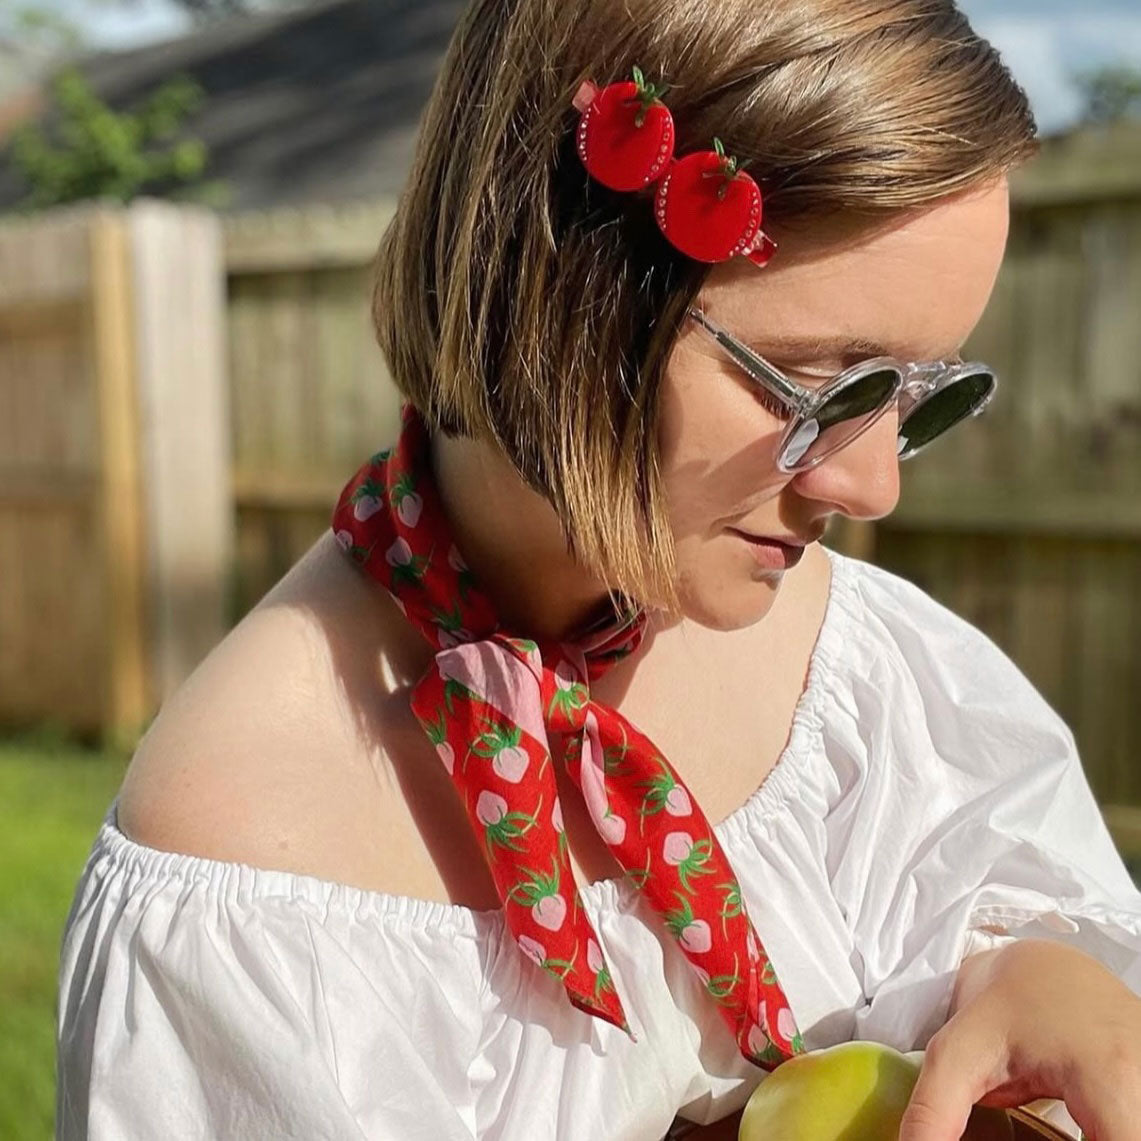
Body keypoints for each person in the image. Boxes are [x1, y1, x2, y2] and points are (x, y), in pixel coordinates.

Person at [56, 1, 1141, 1139]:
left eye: (918, 395)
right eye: (818, 389)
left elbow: (1025, 916)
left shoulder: (867, 685)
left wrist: (1036, 970)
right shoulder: (253, 859)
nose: (871, 490)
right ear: (560, 296)